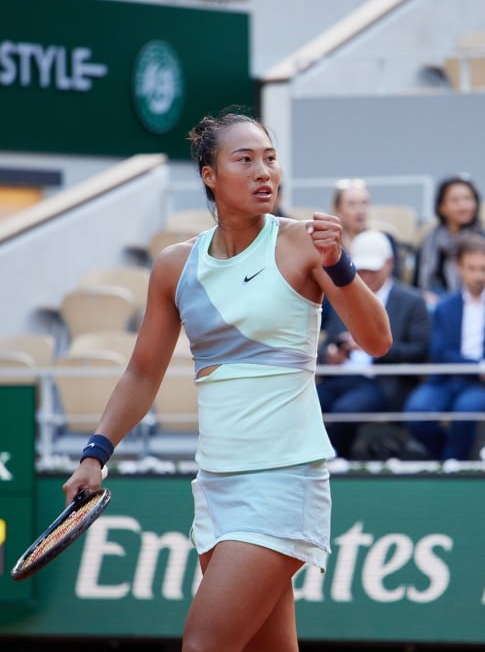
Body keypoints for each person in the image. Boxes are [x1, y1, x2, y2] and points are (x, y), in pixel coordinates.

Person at [61, 111, 391, 652]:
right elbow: (142, 372)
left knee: (204, 645)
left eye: (270, 158)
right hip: (216, 483)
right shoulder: (175, 266)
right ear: (209, 175)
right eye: (245, 160)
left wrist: (340, 264)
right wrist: (96, 452)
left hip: (283, 476)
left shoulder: (304, 243)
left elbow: (377, 340)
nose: (264, 171)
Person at [403, 233, 485, 461]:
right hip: (448, 380)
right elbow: (439, 353)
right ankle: (447, 459)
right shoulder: (445, 306)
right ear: (458, 267)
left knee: (466, 409)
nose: (478, 275)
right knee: (416, 411)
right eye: (471, 268)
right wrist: (484, 366)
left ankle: (451, 464)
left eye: (484, 269)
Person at [318, 229, 431, 459]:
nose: (366, 276)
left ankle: (338, 460)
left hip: (380, 382)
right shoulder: (342, 296)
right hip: (341, 377)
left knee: (345, 411)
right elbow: (328, 343)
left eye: (372, 270)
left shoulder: (411, 301)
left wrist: (373, 348)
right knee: (306, 404)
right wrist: (330, 355)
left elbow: (419, 350)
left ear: (390, 264)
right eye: (361, 270)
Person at [415, 175, 485, 307]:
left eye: (468, 199)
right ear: (441, 207)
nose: (463, 205)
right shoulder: (429, 240)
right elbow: (415, 284)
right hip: (435, 304)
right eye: (455, 200)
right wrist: (424, 296)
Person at [332, 178, 403, 281]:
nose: (360, 210)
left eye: (364, 203)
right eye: (352, 204)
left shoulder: (385, 240)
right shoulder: (331, 245)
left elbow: (393, 281)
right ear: (338, 209)